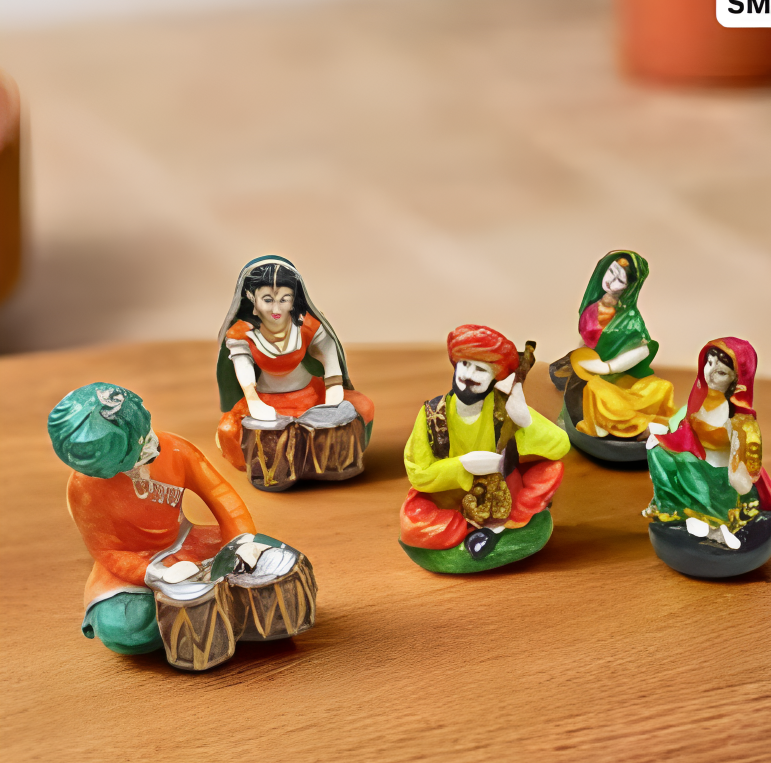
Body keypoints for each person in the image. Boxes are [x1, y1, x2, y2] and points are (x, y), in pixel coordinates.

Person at [48, 383, 259, 655]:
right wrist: (156, 575)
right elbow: (107, 551)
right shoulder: (83, 489)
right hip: (134, 563)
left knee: (260, 557)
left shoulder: (176, 449)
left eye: (147, 433)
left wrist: (240, 540)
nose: (154, 446)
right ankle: (196, 615)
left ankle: (205, 607)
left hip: (187, 542)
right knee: (122, 627)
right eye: (140, 451)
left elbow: (219, 494)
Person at [401, 324, 570, 566]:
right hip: (449, 497)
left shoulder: (504, 408)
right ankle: (467, 528)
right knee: (414, 523)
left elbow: (559, 446)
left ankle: (501, 526)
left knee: (550, 471)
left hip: (503, 493)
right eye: (465, 364)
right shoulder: (432, 413)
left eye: (480, 369)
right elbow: (418, 473)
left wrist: (525, 419)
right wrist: (464, 466)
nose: (468, 375)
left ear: (495, 378)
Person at [215, 255, 373, 472]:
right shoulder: (241, 333)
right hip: (265, 400)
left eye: (284, 299)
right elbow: (243, 366)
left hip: (311, 396)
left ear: (294, 297)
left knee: (363, 406)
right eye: (267, 300)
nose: (276, 309)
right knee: (228, 429)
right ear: (252, 298)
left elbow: (329, 355)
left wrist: (334, 391)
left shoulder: (306, 324)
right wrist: (253, 400)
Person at [645, 337, 771, 548]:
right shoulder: (701, 397)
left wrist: (740, 472)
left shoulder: (740, 420)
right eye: (708, 364)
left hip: (719, 471)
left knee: (691, 470)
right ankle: (671, 507)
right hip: (696, 454)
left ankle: (710, 520)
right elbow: (686, 425)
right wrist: (667, 436)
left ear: (736, 379)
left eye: (721, 372)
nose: (710, 373)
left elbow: (741, 474)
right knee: (656, 450)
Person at [557, 250, 675, 441]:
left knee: (659, 388)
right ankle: (610, 422)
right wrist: (582, 357)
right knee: (592, 391)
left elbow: (643, 349)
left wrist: (609, 367)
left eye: (620, 280)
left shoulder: (630, 318)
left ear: (628, 286)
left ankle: (640, 426)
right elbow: (586, 340)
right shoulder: (591, 306)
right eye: (611, 272)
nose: (611, 281)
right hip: (590, 368)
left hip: (618, 374)